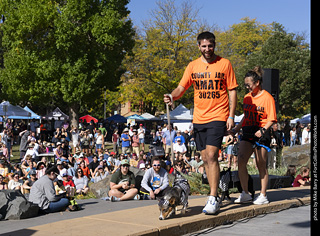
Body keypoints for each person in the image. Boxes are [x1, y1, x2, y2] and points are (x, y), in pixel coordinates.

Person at [164, 31, 238, 214]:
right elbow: (182, 87)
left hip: (218, 115)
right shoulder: (192, 66)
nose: (207, 49)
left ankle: (213, 197)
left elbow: (232, 91)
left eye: (210, 46)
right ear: (198, 46)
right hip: (199, 118)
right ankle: (215, 194)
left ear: (214, 45)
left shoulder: (224, 64)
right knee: (205, 158)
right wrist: (171, 96)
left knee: (212, 155)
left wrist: (231, 116)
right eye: (204, 46)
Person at [231, 66, 277, 205]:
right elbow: (246, 116)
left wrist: (263, 130)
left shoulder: (267, 97)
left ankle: (263, 195)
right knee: (241, 161)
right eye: (245, 85)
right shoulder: (247, 98)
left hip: (261, 131)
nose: (247, 88)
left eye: (249, 85)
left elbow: (272, 118)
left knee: (261, 164)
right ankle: (245, 193)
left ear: (257, 83)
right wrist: (236, 128)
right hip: (248, 130)